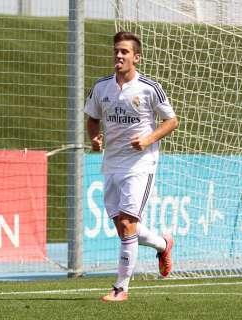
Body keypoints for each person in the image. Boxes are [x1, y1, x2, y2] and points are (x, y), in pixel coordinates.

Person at [85, 31, 179, 301]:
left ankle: (121, 288)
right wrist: (94, 137)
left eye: (124, 52)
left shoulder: (149, 88)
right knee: (123, 227)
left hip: (141, 164)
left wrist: (149, 138)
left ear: (136, 57)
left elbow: (171, 121)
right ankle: (163, 244)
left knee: (128, 223)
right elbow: (92, 117)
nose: (118, 55)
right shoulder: (101, 87)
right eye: (116, 50)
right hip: (112, 163)